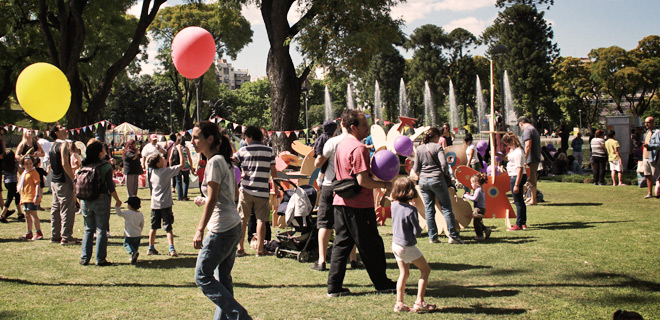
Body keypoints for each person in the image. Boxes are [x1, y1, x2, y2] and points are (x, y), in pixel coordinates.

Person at [327, 109, 396, 297]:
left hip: (341, 202)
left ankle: (334, 286)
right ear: (353, 127)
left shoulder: (342, 145)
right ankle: (382, 283)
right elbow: (362, 181)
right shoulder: (358, 148)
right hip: (358, 205)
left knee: (342, 245)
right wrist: (385, 184)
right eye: (364, 125)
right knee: (371, 245)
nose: (368, 129)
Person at [191, 121, 251, 319]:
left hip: (222, 228)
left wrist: (200, 229)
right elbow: (229, 194)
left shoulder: (215, 161)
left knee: (202, 276)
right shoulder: (224, 161)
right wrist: (206, 199)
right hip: (233, 225)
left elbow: (216, 198)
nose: (192, 141)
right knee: (223, 279)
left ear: (209, 139)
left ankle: (240, 316)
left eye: (196, 137)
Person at [311, 118, 359, 271]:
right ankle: (353, 259)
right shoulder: (357, 142)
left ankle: (322, 261)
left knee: (325, 223)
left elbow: (318, 163)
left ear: (341, 125)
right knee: (349, 224)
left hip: (330, 185)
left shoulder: (332, 142)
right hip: (349, 186)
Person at [390, 177, 436, 313]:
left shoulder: (393, 205)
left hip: (395, 244)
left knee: (403, 273)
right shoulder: (411, 210)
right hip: (407, 246)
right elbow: (416, 232)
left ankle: (399, 304)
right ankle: (419, 302)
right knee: (425, 270)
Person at [412, 127, 464, 244]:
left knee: (429, 209)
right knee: (446, 208)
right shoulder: (438, 147)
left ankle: (433, 237)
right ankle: (453, 236)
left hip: (423, 182)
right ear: (435, 136)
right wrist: (444, 174)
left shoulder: (419, 149)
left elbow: (415, 168)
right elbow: (444, 164)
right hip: (437, 180)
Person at [234, 126, 277, 257]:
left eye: (245, 137)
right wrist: (277, 188)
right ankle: (260, 250)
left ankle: (240, 248)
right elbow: (274, 173)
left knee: (242, 220)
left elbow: (231, 161)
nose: (244, 140)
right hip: (263, 191)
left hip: (246, 190)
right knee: (261, 220)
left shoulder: (242, 151)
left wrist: (239, 174)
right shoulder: (269, 151)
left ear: (250, 137)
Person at [79, 139, 122, 266]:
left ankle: (84, 258)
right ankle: (100, 259)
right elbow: (111, 186)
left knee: (88, 229)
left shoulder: (84, 165)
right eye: (103, 149)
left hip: (85, 200)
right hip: (101, 199)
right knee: (101, 229)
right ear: (99, 153)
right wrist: (118, 200)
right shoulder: (106, 166)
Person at [146, 143, 184, 257]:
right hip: (166, 204)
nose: (164, 158)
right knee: (168, 227)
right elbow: (182, 165)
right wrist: (179, 150)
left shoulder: (153, 172)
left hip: (155, 204)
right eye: (162, 158)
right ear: (158, 163)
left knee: (153, 227)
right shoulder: (166, 172)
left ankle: (150, 248)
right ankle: (171, 249)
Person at [48, 124, 79, 245]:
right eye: (60, 127)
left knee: (55, 208)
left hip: (55, 181)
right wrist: (73, 178)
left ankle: (55, 235)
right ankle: (66, 237)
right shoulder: (64, 145)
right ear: (56, 132)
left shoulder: (52, 145)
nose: (64, 128)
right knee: (68, 208)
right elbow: (65, 163)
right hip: (64, 180)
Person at [500, 132, 527, 231]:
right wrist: (498, 155)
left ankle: (519, 224)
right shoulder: (513, 151)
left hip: (516, 176)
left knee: (518, 202)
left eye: (506, 144)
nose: (506, 146)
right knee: (520, 201)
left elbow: (520, 168)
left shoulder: (518, 152)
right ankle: (523, 222)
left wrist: (516, 185)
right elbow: (507, 158)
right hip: (514, 175)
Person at [18, 155, 43, 240]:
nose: (28, 165)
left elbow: (37, 185)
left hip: (31, 197)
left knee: (33, 214)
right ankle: (29, 232)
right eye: (26, 164)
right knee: (27, 215)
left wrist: (37, 195)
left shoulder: (34, 173)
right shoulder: (24, 173)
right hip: (25, 197)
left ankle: (38, 232)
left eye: (30, 163)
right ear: (23, 165)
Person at [518, 116, 541, 205]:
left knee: (531, 179)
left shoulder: (528, 130)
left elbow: (528, 145)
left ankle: (533, 200)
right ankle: (531, 197)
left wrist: (525, 158)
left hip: (531, 159)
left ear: (521, 123)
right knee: (531, 178)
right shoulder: (533, 129)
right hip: (534, 158)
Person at [115, 196, 144, 264]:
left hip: (129, 234)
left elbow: (120, 213)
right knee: (135, 246)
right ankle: (133, 255)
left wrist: (117, 207)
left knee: (127, 244)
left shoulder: (128, 213)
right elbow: (142, 224)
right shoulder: (140, 214)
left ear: (130, 205)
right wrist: (140, 231)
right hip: (138, 234)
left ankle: (133, 253)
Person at [462, 173, 491, 240]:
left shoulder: (478, 190)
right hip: (482, 208)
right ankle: (486, 229)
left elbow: (474, 199)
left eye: (472, 183)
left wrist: (466, 196)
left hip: (478, 209)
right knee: (478, 222)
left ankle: (480, 235)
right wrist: (470, 195)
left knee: (476, 223)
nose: (471, 185)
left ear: (477, 183)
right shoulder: (481, 189)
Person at [0, 150, 25, 223]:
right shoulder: (15, 164)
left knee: (17, 196)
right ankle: (3, 215)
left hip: (7, 183)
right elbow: (21, 171)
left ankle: (20, 213)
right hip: (13, 182)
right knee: (9, 198)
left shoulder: (4, 164)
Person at [169, 136, 193, 201]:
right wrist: (192, 167)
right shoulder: (186, 148)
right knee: (186, 181)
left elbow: (171, 158)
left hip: (178, 167)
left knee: (178, 182)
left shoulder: (174, 148)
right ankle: (185, 196)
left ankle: (180, 197)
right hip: (186, 166)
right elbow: (189, 158)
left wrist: (171, 167)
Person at [641, 117, 660, 198]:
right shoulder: (647, 133)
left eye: (648, 122)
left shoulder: (657, 132)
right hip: (646, 157)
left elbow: (659, 145)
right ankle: (650, 193)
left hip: (654, 157)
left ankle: (657, 193)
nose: (646, 124)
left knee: (657, 176)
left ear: (652, 122)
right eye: (645, 122)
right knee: (648, 175)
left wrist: (649, 146)